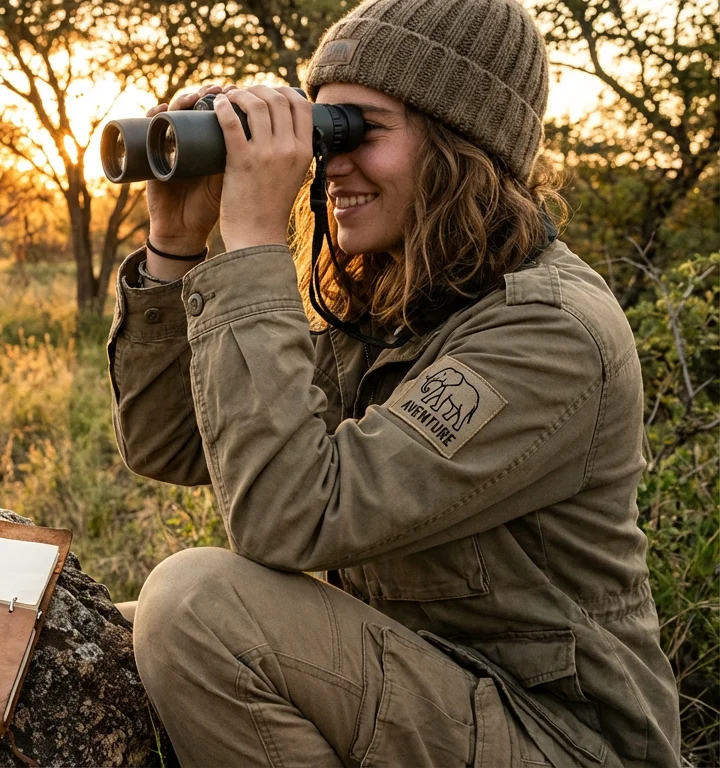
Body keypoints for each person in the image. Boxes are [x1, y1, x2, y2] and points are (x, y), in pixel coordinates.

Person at [106, 0, 682, 765]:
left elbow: (287, 519)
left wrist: (251, 244)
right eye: (321, 131)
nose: (327, 163)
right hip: (435, 683)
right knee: (108, 627)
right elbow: (169, 444)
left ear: (460, 146)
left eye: (356, 131)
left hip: (559, 737)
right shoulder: (397, 296)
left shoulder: (550, 332)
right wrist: (176, 243)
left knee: (196, 605)